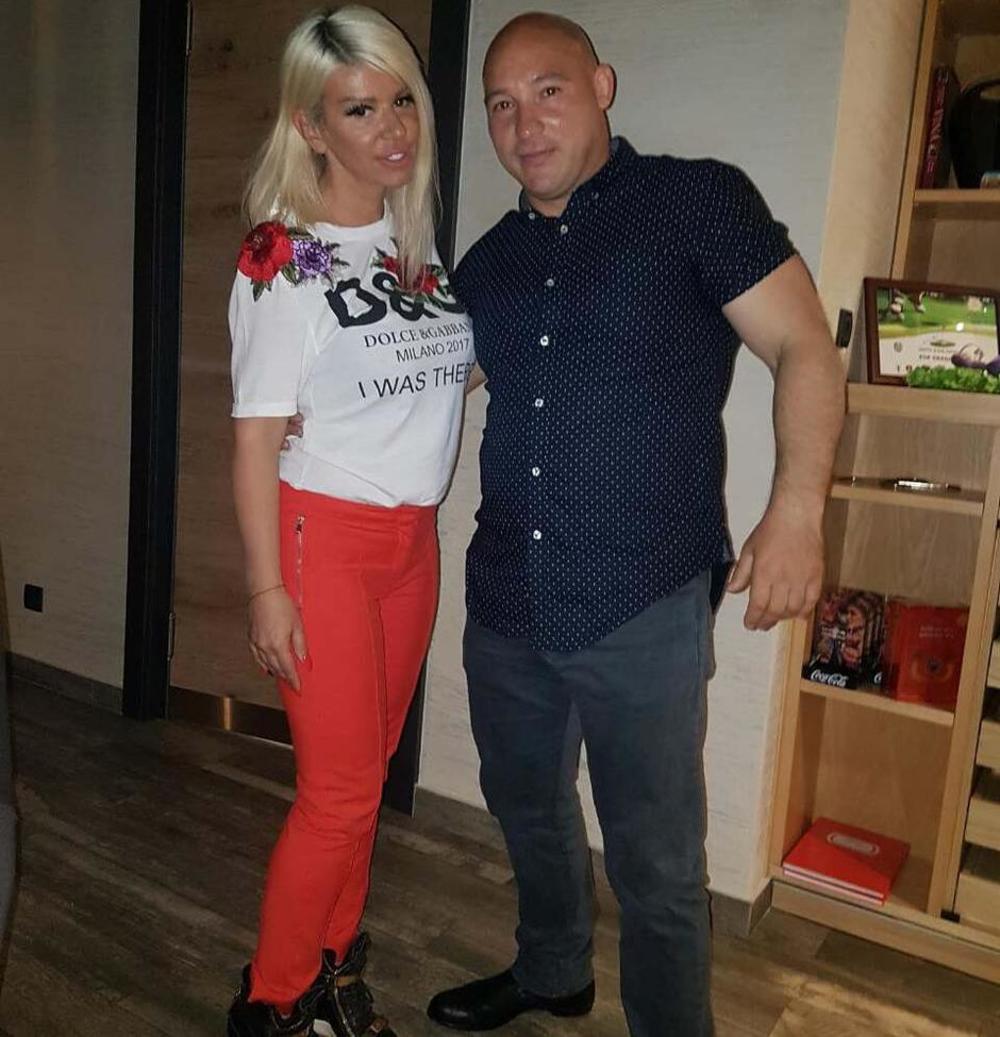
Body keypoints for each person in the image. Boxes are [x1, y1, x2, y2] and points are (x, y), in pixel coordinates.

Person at [422, 12, 846, 1037]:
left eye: (549, 91)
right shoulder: (486, 263)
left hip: (643, 596)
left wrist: (796, 511)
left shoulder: (695, 201)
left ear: (602, 85)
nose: (524, 123)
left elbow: (803, 345)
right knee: (525, 807)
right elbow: (422, 384)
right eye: (501, 105)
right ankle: (552, 969)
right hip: (506, 596)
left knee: (656, 860)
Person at [225, 7, 473, 1036]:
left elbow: (431, 374)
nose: (392, 126)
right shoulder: (284, 258)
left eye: (401, 98)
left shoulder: (414, 251)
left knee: (363, 782)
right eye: (359, 108)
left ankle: (330, 966)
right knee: (336, 794)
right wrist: (266, 589)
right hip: (319, 542)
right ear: (312, 126)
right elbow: (252, 441)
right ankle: (272, 1001)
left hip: (411, 547)